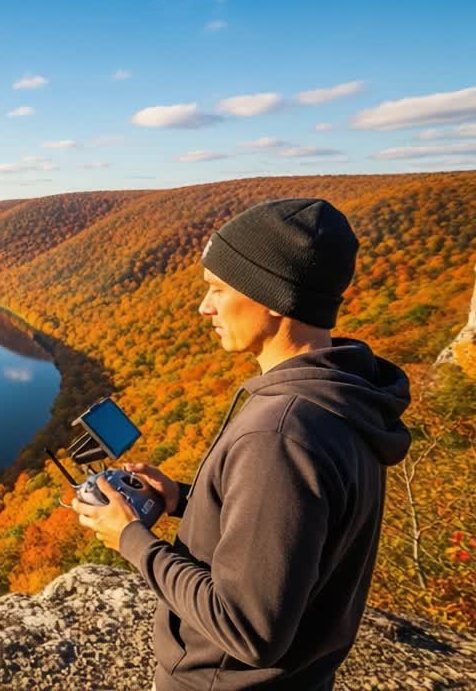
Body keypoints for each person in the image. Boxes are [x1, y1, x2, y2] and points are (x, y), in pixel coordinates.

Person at [71, 198, 412, 690]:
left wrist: (132, 539)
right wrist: (184, 499)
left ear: (274, 295)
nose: (204, 306)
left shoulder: (281, 436)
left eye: (218, 289)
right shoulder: (346, 397)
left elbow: (250, 630)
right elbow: (293, 529)